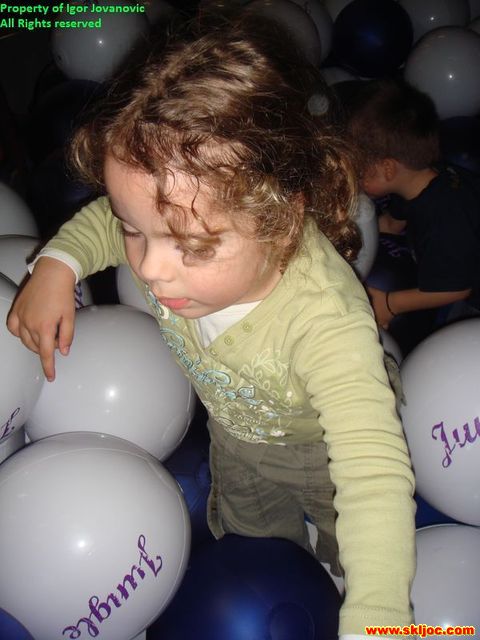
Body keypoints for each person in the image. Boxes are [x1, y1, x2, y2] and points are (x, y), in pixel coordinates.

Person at [7, 22, 415, 637]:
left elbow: (372, 471)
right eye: (138, 231)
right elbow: (104, 221)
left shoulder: (325, 321)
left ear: (281, 216)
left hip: (321, 455)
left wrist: (378, 611)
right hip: (236, 440)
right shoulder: (169, 226)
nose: (149, 267)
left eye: (192, 245)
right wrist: (58, 265)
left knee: (347, 544)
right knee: (256, 547)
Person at [346, 77, 480, 329]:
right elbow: (391, 223)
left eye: (359, 171)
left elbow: (457, 289)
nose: (354, 177)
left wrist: (390, 304)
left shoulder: (446, 220)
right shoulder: (420, 180)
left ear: (387, 169)